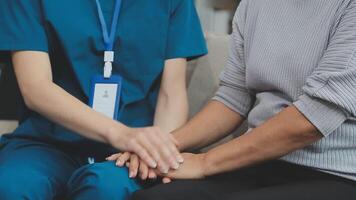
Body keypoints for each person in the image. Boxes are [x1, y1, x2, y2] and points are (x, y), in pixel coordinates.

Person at [114, 0, 356, 199]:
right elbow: (232, 97)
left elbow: (312, 119)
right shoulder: (255, 4)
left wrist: (204, 162)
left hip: (337, 175)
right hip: (261, 162)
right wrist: (162, 148)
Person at [0, 0, 207, 199]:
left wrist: (156, 153)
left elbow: (171, 93)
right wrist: (121, 133)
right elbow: (35, 87)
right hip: (48, 142)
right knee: (11, 185)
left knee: (106, 189)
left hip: (130, 153)